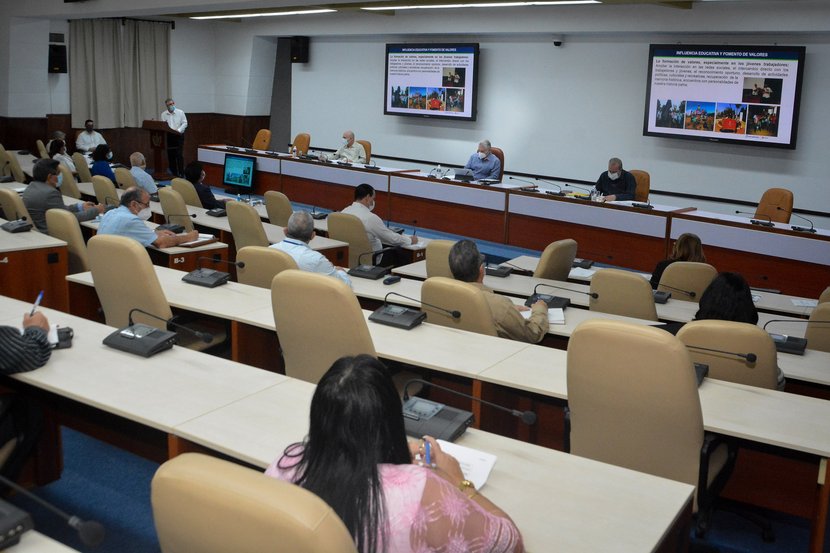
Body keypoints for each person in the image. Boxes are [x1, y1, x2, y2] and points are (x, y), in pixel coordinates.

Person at [266, 354, 523, 553]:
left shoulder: (285, 464)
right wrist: (460, 483)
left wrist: (392, 459)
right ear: (390, 419)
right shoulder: (424, 488)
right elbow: (509, 544)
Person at [695, 272, 785, 390]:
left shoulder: (689, 332)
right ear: (748, 303)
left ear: (707, 297)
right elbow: (776, 381)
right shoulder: (760, 343)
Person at [449, 240, 549, 343]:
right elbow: (532, 334)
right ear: (482, 270)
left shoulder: (442, 295)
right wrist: (540, 310)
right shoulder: (500, 305)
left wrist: (511, 311)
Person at [97, 187, 198, 248]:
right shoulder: (131, 220)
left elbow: (130, 232)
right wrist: (188, 237)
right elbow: (161, 243)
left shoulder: (110, 213)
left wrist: (154, 233)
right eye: (147, 204)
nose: (148, 207)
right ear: (134, 204)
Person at [271, 211, 351, 287]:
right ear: (313, 235)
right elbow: (344, 286)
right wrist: (341, 272)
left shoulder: (270, 250)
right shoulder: (317, 260)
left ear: (285, 231)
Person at [21, 159, 103, 233]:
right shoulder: (50, 193)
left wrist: (80, 207)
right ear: (50, 177)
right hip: (52, 235)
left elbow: (60, 209)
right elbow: (69, 218)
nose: (61, 176)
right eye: (58, 174)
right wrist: (96, 210)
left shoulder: (31, 187)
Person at [341, 183, 417, 259]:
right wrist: (409, 240)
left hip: (349, 256)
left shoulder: (344, 211)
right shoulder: (370, 218)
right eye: (373, 198)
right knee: (401, 254)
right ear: (367, 197)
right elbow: (391, 238)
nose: (373, 202)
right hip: (371, 258)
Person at [161, 98, 188, 177]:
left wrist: (178, 130)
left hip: (179, 136)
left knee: (179, 155)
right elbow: (163, 126)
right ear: (166, 106)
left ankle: (181, 173)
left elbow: (185, 123)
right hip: (169, 137)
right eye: (169, 104)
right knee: (171, 155)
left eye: (172, 104)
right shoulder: (163, 114)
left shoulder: (180, 112)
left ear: (174, 103)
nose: (171, 105)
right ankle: (174, 173)